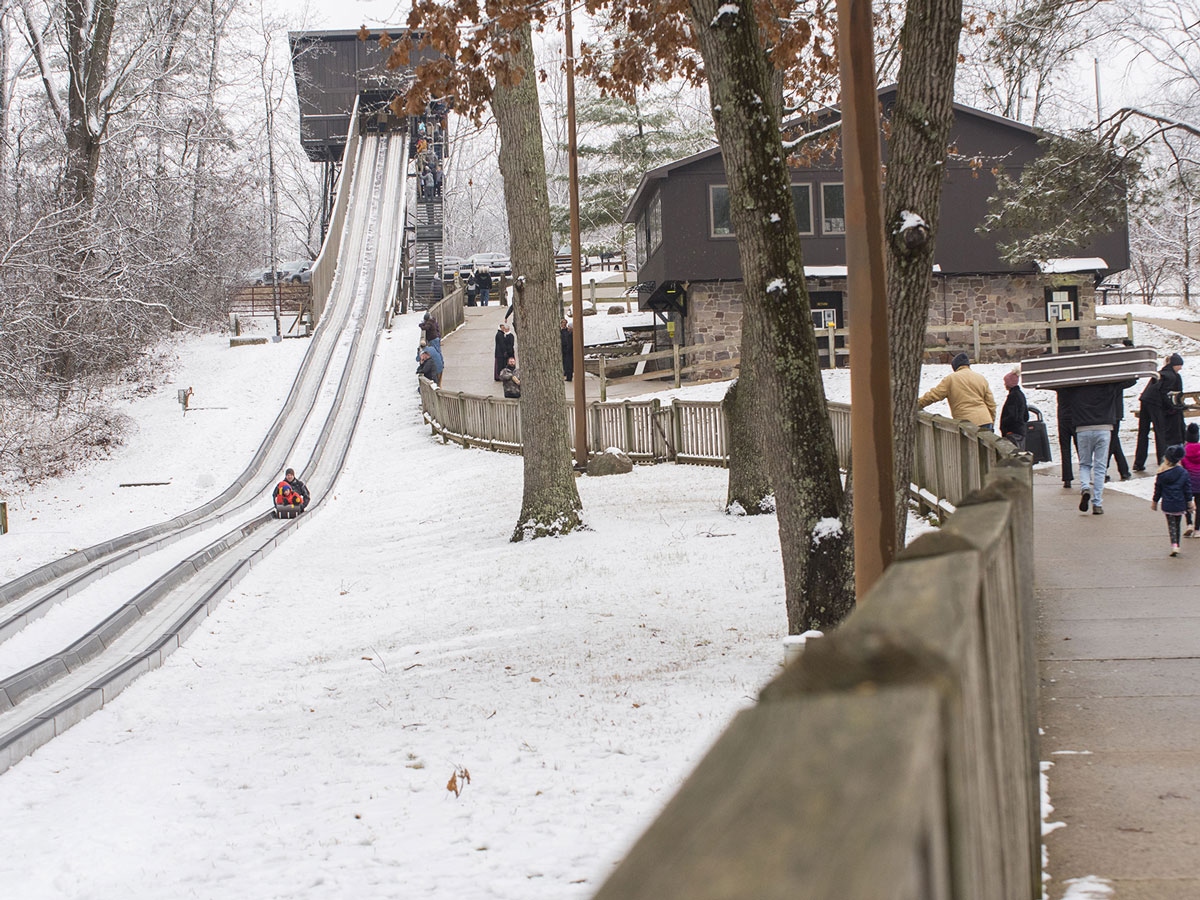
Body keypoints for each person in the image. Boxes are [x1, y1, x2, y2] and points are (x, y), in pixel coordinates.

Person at [1057, 377, 1137, 516]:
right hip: (1104, 427)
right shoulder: (1109, 384)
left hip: (1082, 427)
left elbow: (1059, 386)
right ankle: (1097, 503)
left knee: (1085, 464)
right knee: (1100, 467)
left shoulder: (1076, 384)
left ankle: (1085, 487)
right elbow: (1131, 381)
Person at [917, 352, 997, 430]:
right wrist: (991, 421)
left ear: (955, 366)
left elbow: (934, 395)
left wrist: (918, 403)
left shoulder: (951, 379)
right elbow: (991, 404)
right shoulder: (980, 378)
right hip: (985, 420)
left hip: (966, 422)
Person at [1151, 444, 1194, 556]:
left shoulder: (1161, 474)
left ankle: (1174, 544)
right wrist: (1189, 503)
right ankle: (1177, 545)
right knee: (1178, 524)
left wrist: (1155, 502)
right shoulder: (1183, 473)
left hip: (1168, 504)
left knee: (1171, 525)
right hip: (1180, 503)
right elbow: (1187, 489)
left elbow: (1158, 489)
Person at [1161, 353, 1186, 447]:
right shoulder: (1173, 377)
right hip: (1172, 408)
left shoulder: (1167, 374)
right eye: (1180, 365)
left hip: (1172, 407)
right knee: (1176, 431)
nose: (1181, 368)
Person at [999, 368, 1027, 449]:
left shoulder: (1013, 397)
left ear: (1010, 384)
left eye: (1005, 382)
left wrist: (1004, 426)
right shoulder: (1021, 395)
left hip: (1012, 432)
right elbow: (1026, 416)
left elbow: (1011, 415)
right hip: (1020, 431)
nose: (1004, 384)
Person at [1182, 423, 1200, 537]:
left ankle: (1189, 523)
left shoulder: (1184, 450)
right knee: (1199, 505)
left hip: (1188, 482)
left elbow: (1182, 466)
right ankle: (1197, 530)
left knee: (1187, 503)